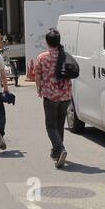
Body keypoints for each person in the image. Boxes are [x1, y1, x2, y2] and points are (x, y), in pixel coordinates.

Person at [28, 27, 73, 168]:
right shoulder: (65, 56)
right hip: (65, 96)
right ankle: (56, 152)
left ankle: (60, 149)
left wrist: (39, 89)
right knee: (59, 125)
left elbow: (38, 76)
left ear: (47, 42)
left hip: (50, 96)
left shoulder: (42, 57)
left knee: (50, 126)